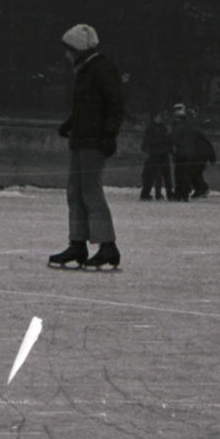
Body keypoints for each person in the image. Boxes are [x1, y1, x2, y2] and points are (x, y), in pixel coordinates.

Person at [49, 23, 124, 270]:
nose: (65, 54)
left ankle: (108, 246)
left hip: (94, 142)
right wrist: (69, 124)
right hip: (81, 140)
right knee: (75, 192)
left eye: (68, 49)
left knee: (91, 192)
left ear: (79, 49)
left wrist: (109, 136)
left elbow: (114, 104)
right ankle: (78, 243)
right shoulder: (86, 69)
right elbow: (87, 107)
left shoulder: (101, 68)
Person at [170, 104, 215, 200]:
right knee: (188, 172)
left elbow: (174, 138)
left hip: (188, 153)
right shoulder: (189, 126)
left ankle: (191, 191)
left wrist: (168, 143)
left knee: (184, 173)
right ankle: (188, 192)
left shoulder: (180, 126)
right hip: (192, 153)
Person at [139, 111, 172, 201]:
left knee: (160, 175)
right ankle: (152, 193)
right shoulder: (152, 128)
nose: (160, 118)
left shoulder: (162, 128)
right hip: (155, 154)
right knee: (154, 175)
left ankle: (158, 194)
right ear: (154, 117)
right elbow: (148, 141)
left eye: (160, 116)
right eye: (158, 116)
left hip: (160, 153)